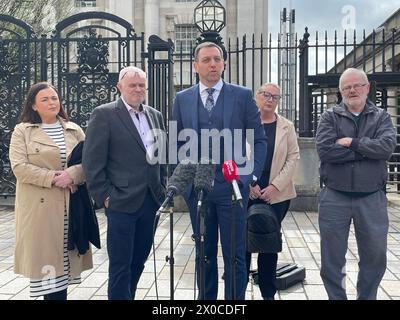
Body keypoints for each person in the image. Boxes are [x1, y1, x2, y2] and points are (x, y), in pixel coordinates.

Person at [172, 42, 267, 300]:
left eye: (217, 59)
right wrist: (187, 181)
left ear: (224, 63)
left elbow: (258, 139)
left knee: (235, 255)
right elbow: (176, 142)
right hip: (198, 191)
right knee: (204, 253)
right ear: (196, 65)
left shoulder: (242, 95)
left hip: (233, 189)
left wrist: (250, 176)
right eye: (206, 60)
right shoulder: (182, 99)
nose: (212, 64)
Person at [82, 66, 166, 300]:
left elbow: (160, 157)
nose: (138, 89)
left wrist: (161, 190)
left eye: (141, 85)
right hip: (120, 202)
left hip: (150, 203)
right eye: (132, 85)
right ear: (120, 87)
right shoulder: (104, 114)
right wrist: (105, 196)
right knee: (120, 265)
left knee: (139, 260)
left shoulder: (155, 115)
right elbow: (92, 161)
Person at [315, 68, 396, 300]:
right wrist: (366, 150)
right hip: (334, 196)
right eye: (346, 87)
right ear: (341, 92)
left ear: (367, 87)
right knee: (332, 258)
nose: (352, 90)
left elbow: (386, 148)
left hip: (372, 197)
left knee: (375, 256)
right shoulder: (329, 116)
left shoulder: (382, 117)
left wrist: (352, 143)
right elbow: (326, 151)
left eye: (357, 85)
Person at [9, 82, 93, 300]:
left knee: (64, 268)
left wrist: (72, 175)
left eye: (54, 98)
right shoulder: (22, 131)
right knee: (48, 272)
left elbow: (90, 161)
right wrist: (55, 178)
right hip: (40, 212)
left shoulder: (74, 130)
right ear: (34, 106)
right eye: (44, 99)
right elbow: (19, 167)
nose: (51, 102)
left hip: (71, 208)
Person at [246, 83, 300, 300]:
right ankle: (238, 287)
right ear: (257, 96)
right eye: (265, 95)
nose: (270, 99)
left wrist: (276, 186)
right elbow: (233, 153)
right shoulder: (245, 124)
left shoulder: (287, 126)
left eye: (275, 97)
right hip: (247, 189)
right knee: (243, 241)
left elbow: (293, 156)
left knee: (269, 243)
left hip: (276, 193)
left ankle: (268, 292)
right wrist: (248, 183)